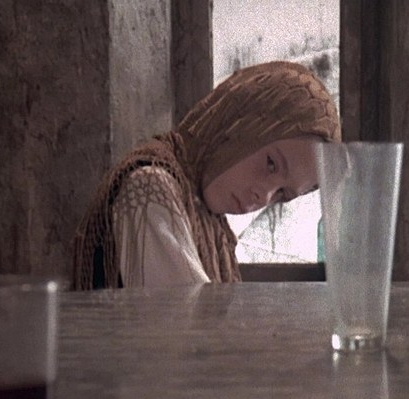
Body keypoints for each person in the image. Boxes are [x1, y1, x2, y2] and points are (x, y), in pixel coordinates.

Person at [71, 60, 341, 290]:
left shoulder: (209, 218)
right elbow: (191, 327)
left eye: (282, 193)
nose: (264, 195)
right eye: (271, 164)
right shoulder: (150, 186)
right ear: (239, 124)